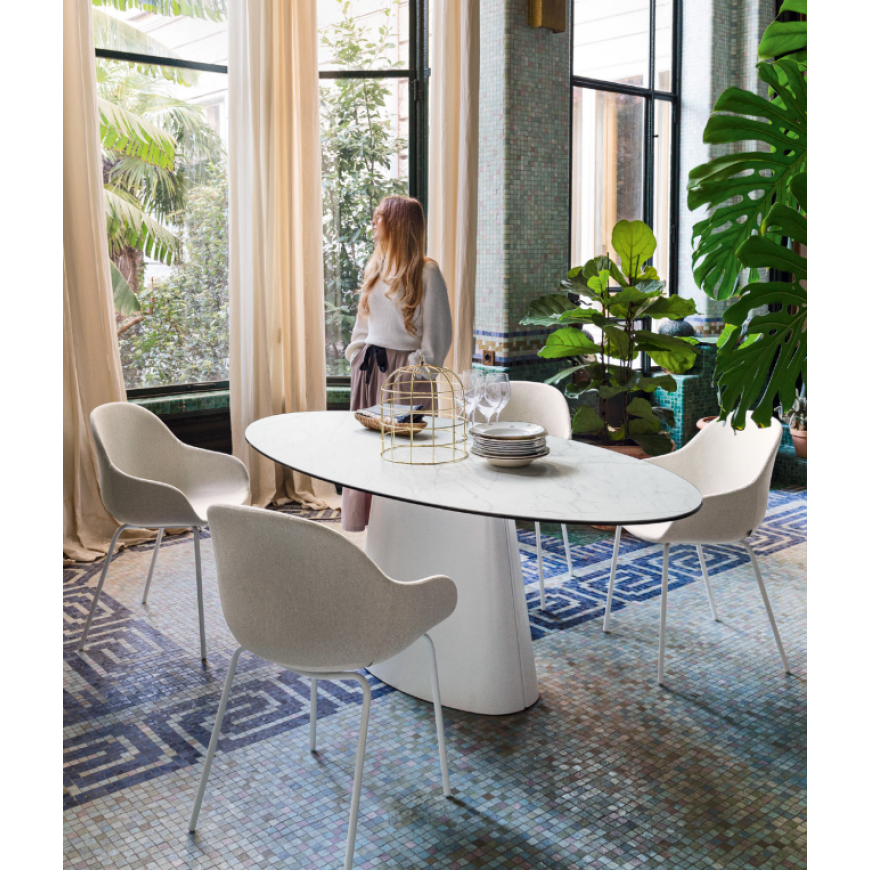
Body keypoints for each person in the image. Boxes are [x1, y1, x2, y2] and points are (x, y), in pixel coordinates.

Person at [342, 195, 452, 532]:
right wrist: (356, 354)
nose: (374, 223)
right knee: (366, 450)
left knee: (404, 454)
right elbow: (364, 321)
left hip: (406, 374)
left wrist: (419, 368)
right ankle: (370, 526)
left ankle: (403, 531)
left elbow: (439, 333)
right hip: (369, 369)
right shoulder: (375, 266)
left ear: (397, 223)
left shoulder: (427, 271)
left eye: (379, 217)